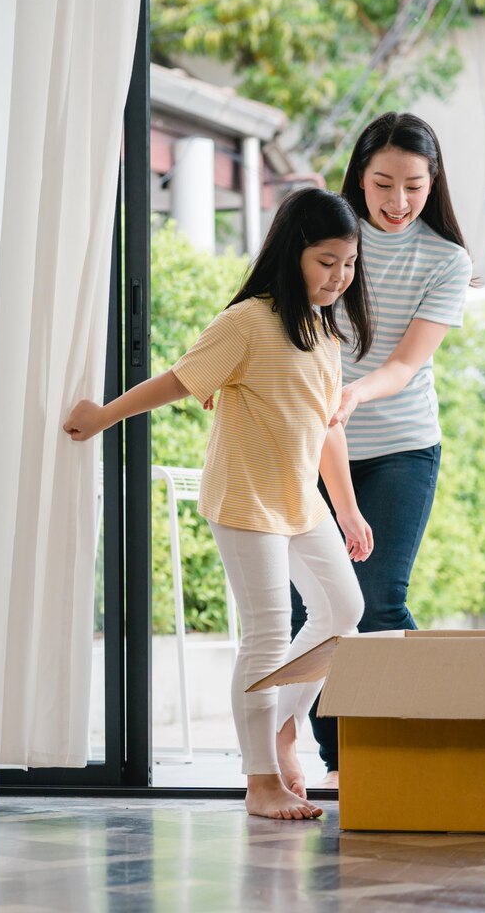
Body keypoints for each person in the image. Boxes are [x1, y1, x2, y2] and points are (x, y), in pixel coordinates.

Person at [63, 188, 376, 820]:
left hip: (300, 501)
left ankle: (279, 729)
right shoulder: (245, 322)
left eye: (348, 263)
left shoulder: (323, 331)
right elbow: (180, 380)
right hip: (245, 499)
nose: (340, 276)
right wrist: (101, 418)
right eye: (326, 262)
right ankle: (260, 779)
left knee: (345, 611)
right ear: (292, 254)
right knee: (265, 637)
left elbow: (326, 429)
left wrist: (347, 510)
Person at [288, 113, 474, 790]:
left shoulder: (446, 259)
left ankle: (424, 748)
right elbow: (270, 318)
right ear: (359, 178)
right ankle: (342, 762)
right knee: (312, 607)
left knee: (380, 600)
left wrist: (354, 395)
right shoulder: (326, 238)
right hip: (309, 448)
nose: (398, 202)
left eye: (415, 187)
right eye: (383, 184)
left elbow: (405, 365)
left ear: (434, 184)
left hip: (399, 445)